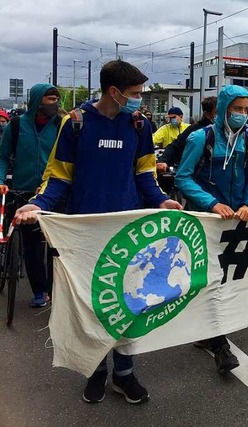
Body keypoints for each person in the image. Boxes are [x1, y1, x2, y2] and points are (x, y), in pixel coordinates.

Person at [14, 60, 182, 403]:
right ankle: (95, 370)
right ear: (114, 92)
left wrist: (162, 201)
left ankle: (124, 372)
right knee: (92, 305)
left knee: (131, 302)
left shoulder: (139, 124)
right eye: (135, 94)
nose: (141, 101)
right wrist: (38, 204)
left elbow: (144, 174)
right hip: (85, 232)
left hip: (128, 231)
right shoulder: (74, 123)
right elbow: (59, 176)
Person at [175, 85, 248, 374]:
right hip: (206, 222)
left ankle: (207, 331)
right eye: (237, 109)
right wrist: (211, 204)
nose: (242, 114)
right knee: (209, 277)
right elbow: (183, 178)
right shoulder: (201, 138)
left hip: (236, 222)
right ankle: (219, 344)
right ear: (224, 108)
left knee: (226, 278)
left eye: (246, 109)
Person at [0, 83, 62, 307]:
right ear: (37, 101)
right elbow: (3, 156)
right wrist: (0, 181)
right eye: (50, 99)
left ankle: (57, 289)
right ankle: (39, 291)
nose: (55, 103)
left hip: (54, 192)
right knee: (32, 246)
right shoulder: (16, 125)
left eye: (57, 99)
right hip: (24, 192)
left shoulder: (61, 125)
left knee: (57, 246)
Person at [157, 97, 217, 173]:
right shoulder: (196, 131)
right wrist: (163, 161)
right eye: (217, 112)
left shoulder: (226, 130)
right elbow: (176, 146)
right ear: (207, 114)